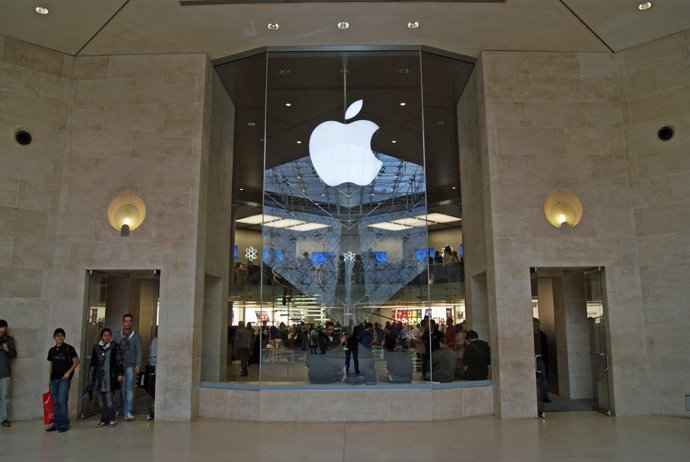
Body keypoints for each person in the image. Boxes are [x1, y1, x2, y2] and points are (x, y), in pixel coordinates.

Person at [45, 328, 79, 433]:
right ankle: (56, 423)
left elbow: (76, 361)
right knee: (55, 402)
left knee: (62, 401)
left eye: (62, 335)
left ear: (64, 337)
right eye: (58, 335)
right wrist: (49, 378)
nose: (60, 337)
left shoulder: (69, 348)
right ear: (54, 337)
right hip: (54, 379)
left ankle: (64, 424)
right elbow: (51, 364)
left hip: (64, 379)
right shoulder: (51, 350)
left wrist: (68, 372)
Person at [89, 328, 124, 427]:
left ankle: (111, 419)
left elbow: (119, 361)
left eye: (109, 335)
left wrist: (120, 373)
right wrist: (91, 376)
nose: (107, 337)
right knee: (101, 402)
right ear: (101, 337)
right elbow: (93, 363)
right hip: (99, 378)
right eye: (105, 335)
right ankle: (103, 419)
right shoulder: (96, 348)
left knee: (109, 401)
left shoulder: (115, 347)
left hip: (110, 378)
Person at [116, 314, 142, 421]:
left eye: (129, 321)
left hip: (130, 366)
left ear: (132, 322)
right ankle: (118, 408)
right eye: (126, 321)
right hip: (119, 366)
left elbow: (139, 351)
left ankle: (128, 411)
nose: (127, 323)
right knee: (117, 389)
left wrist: (138, 365)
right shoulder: (117, 335)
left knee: (129, 389)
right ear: (123, 322)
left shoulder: (136, 336)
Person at [0, 319, 17, 428]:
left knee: (5, 397)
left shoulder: (10, 340)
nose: (1, 333)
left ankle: (3, 419)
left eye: (2, 331)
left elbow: (14, 355)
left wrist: (7, 350)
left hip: (5, 372)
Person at [533, 318, 551, 403]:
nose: (535, 326)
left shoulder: (542, 335)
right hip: (531, 358)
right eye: (534, 324)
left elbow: (545, 347)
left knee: (543, 377)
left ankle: (544, 396)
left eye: (537, 325)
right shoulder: (528, 334)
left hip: (540, 358)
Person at [146, 327, 157, 420]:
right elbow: (153, 357)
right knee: (153, 389)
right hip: (153, 369)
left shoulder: (155, 341)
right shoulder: (155, 341)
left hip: (154, 368)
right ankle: (153, 409)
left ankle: (154, 408)